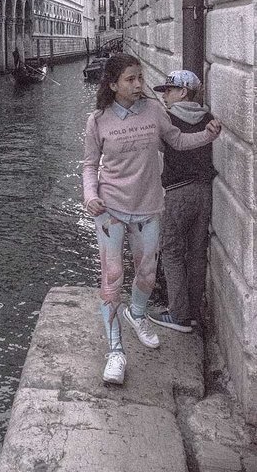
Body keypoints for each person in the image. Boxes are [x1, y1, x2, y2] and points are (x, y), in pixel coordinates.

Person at [82, 54, 221, 386]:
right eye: (130, 79)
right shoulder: (97, 120)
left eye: (140, 77)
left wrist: (208, 135)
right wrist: (89, 195)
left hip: (148, 207)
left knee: (145, 276)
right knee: (112, 278)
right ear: (113, 84)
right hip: (110, 209)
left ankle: (139, 315)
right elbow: (90, 165)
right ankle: (115, 352)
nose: (138, 84)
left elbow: (176, 141)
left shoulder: (155, 110)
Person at [147, 71, 216, 333]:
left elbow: (162, 147)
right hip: (204, 192)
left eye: (169, 90)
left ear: (183, 92)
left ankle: (178, 316)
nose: (164, 95)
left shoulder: (168, 119)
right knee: (197, 253)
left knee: (173, 252)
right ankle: (194, 313)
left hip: (178, 193)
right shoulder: (208, 118)